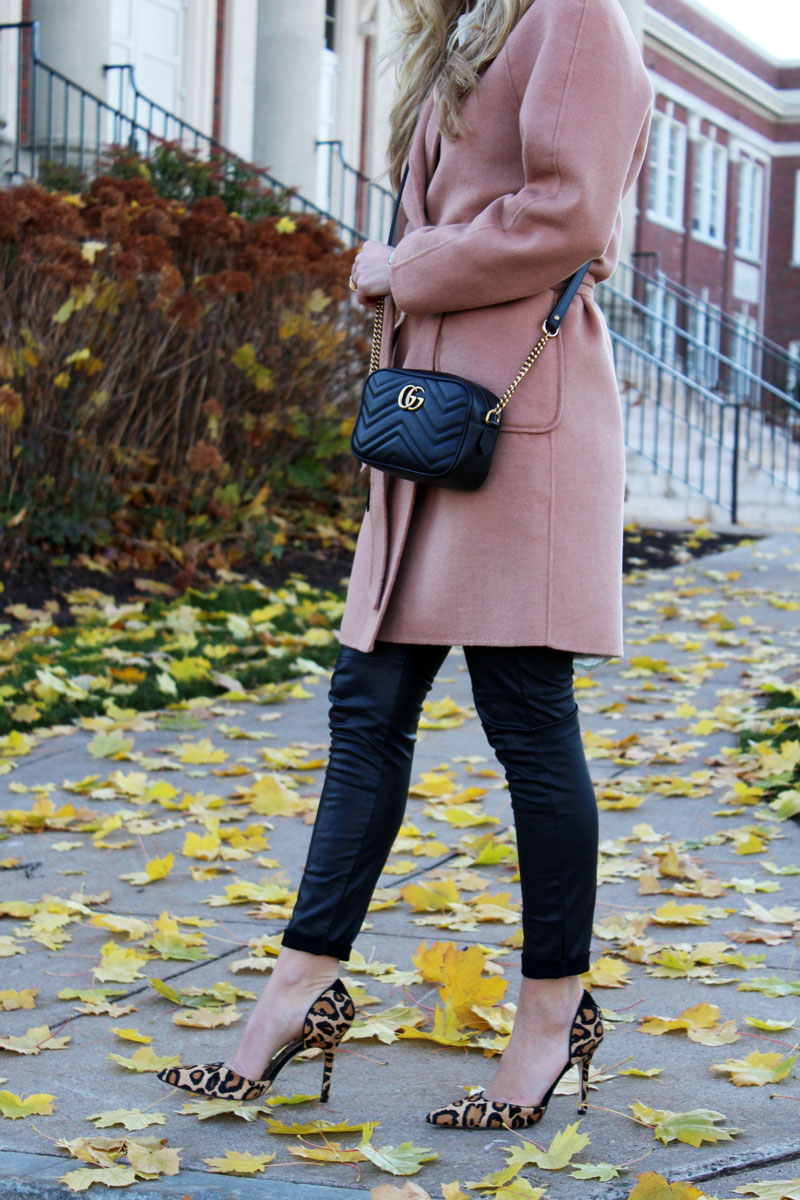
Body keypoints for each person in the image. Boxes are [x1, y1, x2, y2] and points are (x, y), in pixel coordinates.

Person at [158, 0, 653, 1131]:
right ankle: (300, 987)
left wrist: (404, 266)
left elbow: (569, 212)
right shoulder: (474, 23)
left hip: (516, 429)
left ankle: (548, 1012)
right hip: (431, 423)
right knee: (366, 700)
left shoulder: (576, 15)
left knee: (527, 714)